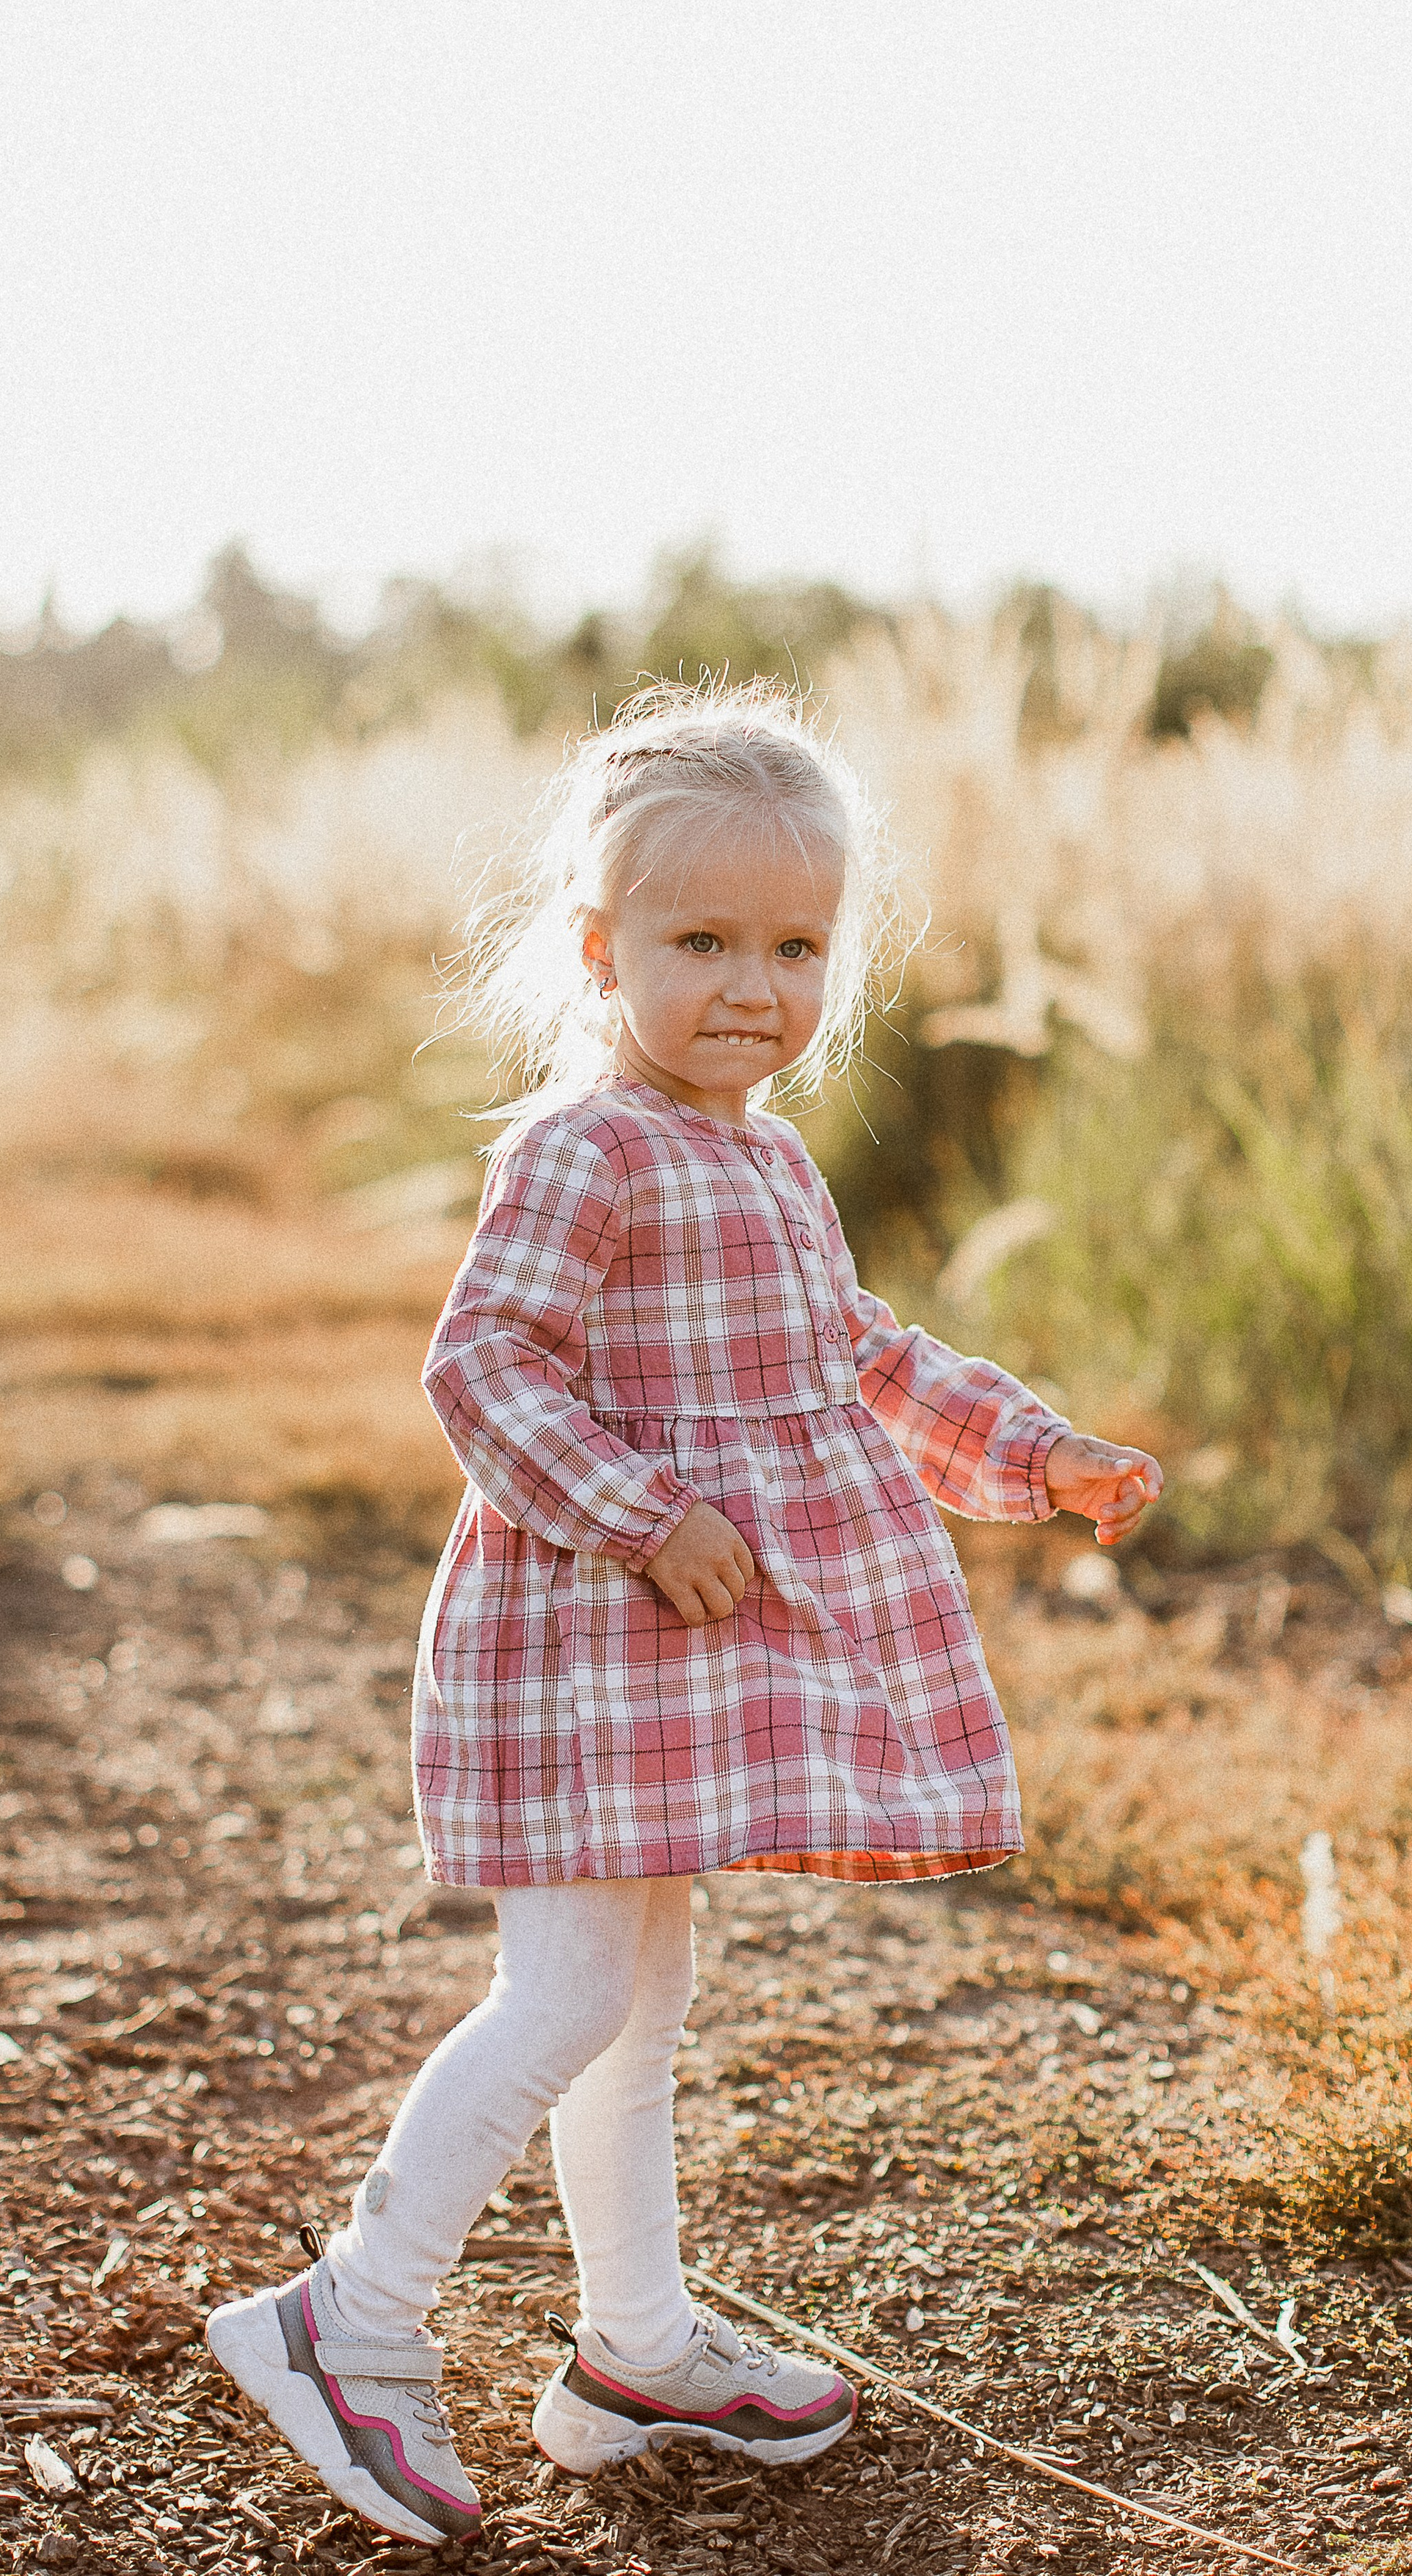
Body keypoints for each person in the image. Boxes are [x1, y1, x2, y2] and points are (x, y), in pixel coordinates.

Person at [206, 686, 1161, 2545]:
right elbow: (480, 1363)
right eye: (700, 940)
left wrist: (1028, 1452)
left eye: (794, 944)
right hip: (591, 1634)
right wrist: (640, 1516)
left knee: (643, 2004)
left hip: (667, 1662)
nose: (752, 982)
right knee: (564, 1988)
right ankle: (349, 2320)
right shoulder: (589, 1147)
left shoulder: (765, 1157)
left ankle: (634, 2344)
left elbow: (854, 1359)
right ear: (599, 952)